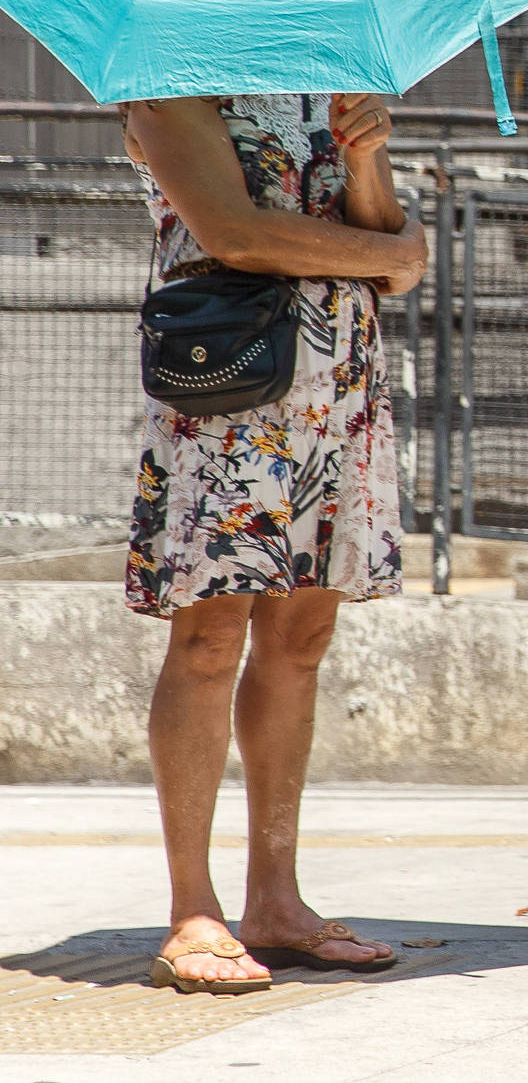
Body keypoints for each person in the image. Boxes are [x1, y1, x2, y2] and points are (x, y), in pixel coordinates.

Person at [121, 91, 426, 994]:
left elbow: (385, 238)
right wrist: (392, 255)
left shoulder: (328, 83)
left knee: (302, 638)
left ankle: (275, 900)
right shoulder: (169, 82)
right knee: (210, 638)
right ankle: (193, 907)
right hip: (230, 383)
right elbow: (236, 235)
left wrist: (365, 158)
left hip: (339, 384)